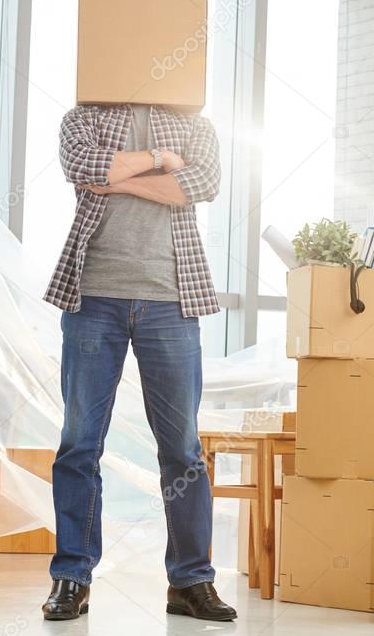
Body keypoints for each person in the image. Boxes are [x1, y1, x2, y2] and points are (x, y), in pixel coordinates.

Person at [40, 103, 235, 622]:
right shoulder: (84, 117)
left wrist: (122, 179)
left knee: (182, 451)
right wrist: (159, 160)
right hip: (92, 298)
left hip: (172, 300)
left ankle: (191, 581)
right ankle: (71, 577)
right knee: (80, 444)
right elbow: (82, 169)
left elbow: (200, 184)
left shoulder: (195, 124)